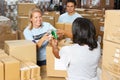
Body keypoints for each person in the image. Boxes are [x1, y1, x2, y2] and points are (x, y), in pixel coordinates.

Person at [23, 8, 56, 78]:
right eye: (36, 17)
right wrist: (43, 38)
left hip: (48, 58)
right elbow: (34, 48)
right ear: (31, 19)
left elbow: (56, 33)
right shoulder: (27, 31)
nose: (39, 19)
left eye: (40, 16)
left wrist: (53, 36)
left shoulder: (47, 25)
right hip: (35, 60)